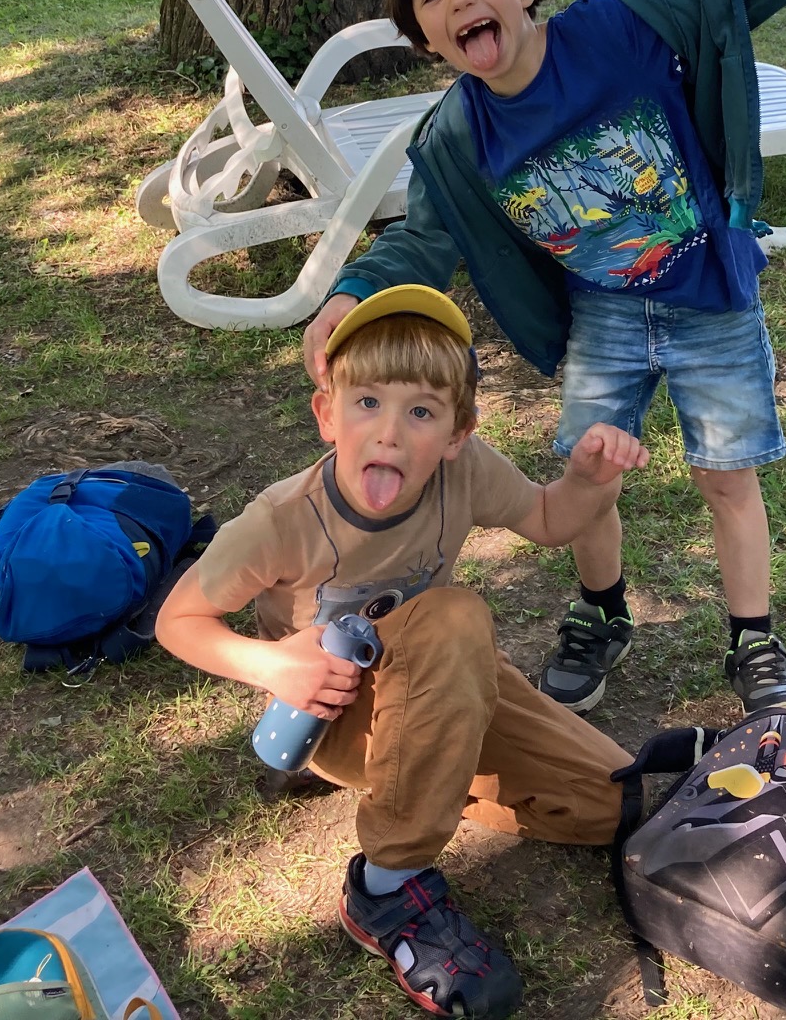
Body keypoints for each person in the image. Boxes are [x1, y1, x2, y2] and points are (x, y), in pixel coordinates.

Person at [299, 0, 786, 722]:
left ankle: (753, 638)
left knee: (728, 479)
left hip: (711, 293)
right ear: (423, 35)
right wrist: (350, 293)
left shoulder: (624, 27)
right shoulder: (458, 135)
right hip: (601, 316)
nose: (462, 1)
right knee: (590, 476)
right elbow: (426, 235)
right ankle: (601, 614)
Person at [157, 285, 646, 1020]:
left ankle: (426, 776)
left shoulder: (464, 469)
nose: (389, 433)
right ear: (327, 414)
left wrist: (587, 482)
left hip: (443, 689)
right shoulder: (281, 520)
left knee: (616, 804)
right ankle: (387, 886)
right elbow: (178, 619)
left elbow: (549, 518)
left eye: (421, 412)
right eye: (367, 403)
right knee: (453, 616)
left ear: (457, 432)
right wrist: (273, 664)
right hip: (338, 717)